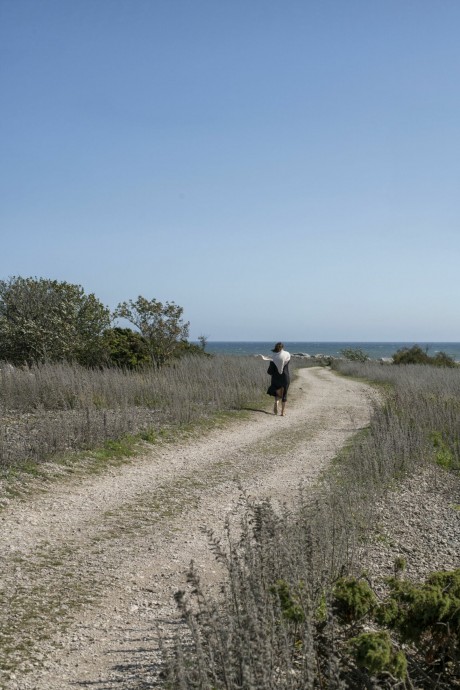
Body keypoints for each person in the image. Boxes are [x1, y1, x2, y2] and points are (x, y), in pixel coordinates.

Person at [259, 342, 291, 416]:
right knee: (284, 394)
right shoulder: (287, 355)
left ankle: (276, 402)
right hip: (285, 377)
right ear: (282, 348)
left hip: (276, 378)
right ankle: (283, 412)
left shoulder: (273, 358)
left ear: (276, 348)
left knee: (277, 393)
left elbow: (269, 371)